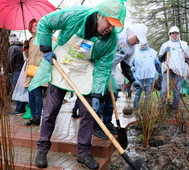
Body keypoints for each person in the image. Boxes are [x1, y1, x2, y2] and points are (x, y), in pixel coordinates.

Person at [30, 0, 127, 169]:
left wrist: (97, 93)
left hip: (84, 71)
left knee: (88, 113)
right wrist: (46, 48)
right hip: (61, 64)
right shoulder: (75, 15)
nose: (110, 29)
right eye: (109, 23)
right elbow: (45, 22)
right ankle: (42, 149)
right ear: (100, 15)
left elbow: (103, 68)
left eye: (114, 26)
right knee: (50, 111)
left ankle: (83, 153)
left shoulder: (110, 40)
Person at [92, 24, 148, 139]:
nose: (138, 42)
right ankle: (95, 126)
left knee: (113, 96)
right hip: (97, 68)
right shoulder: (117, 35)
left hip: (110, 71)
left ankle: (107, 123)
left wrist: (133, 80)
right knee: (98, 98)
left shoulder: (132, 49)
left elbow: (125, 66)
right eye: (137, 39)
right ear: (131, 32)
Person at [158, 26, 189, 112]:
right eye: (172, 33)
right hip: (168, 70)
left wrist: (187, 62)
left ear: (178, 34)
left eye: (176, 33)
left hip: (179, 71)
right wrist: (165, 53)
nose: (174, 35)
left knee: (177, 92)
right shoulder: (165, 45)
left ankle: (175, 108)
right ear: (170, 34)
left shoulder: (183, 44)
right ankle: (162, 107)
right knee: (164, 90)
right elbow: (159, 59)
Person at [23, 19, 46, 126]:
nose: (35, 27)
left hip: (39, 68)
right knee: (31, 94)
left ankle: (37, 116)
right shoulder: (30, 40)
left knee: (37, 93)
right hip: (30, 69)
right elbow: (28, 57)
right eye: (33, 25)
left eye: (37, 25)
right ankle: (33, 116)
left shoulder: (42, 37)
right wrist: (25, 49)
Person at [131, 37, 161, 110]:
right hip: (139, 76)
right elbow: (132, 64)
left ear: (147, 44)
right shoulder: (136, 53)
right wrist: (132, 68)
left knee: (148, 93)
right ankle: (136, 107)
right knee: (138, 92)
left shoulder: (152, 52)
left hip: (150, 76)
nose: (143, 45)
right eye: (141, 44)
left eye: (144, 44)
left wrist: (160, 73)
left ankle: (146, 108)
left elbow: (157, 64)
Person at [7, 34, 28, 115]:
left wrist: (9, 71)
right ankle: (23, 107)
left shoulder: (12, 48)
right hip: (23, 71)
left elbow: (10, 60)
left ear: (11, 41)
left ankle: (18, 109)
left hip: (15, 71)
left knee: (16, 90)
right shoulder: (21, 47)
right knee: (22, 90)